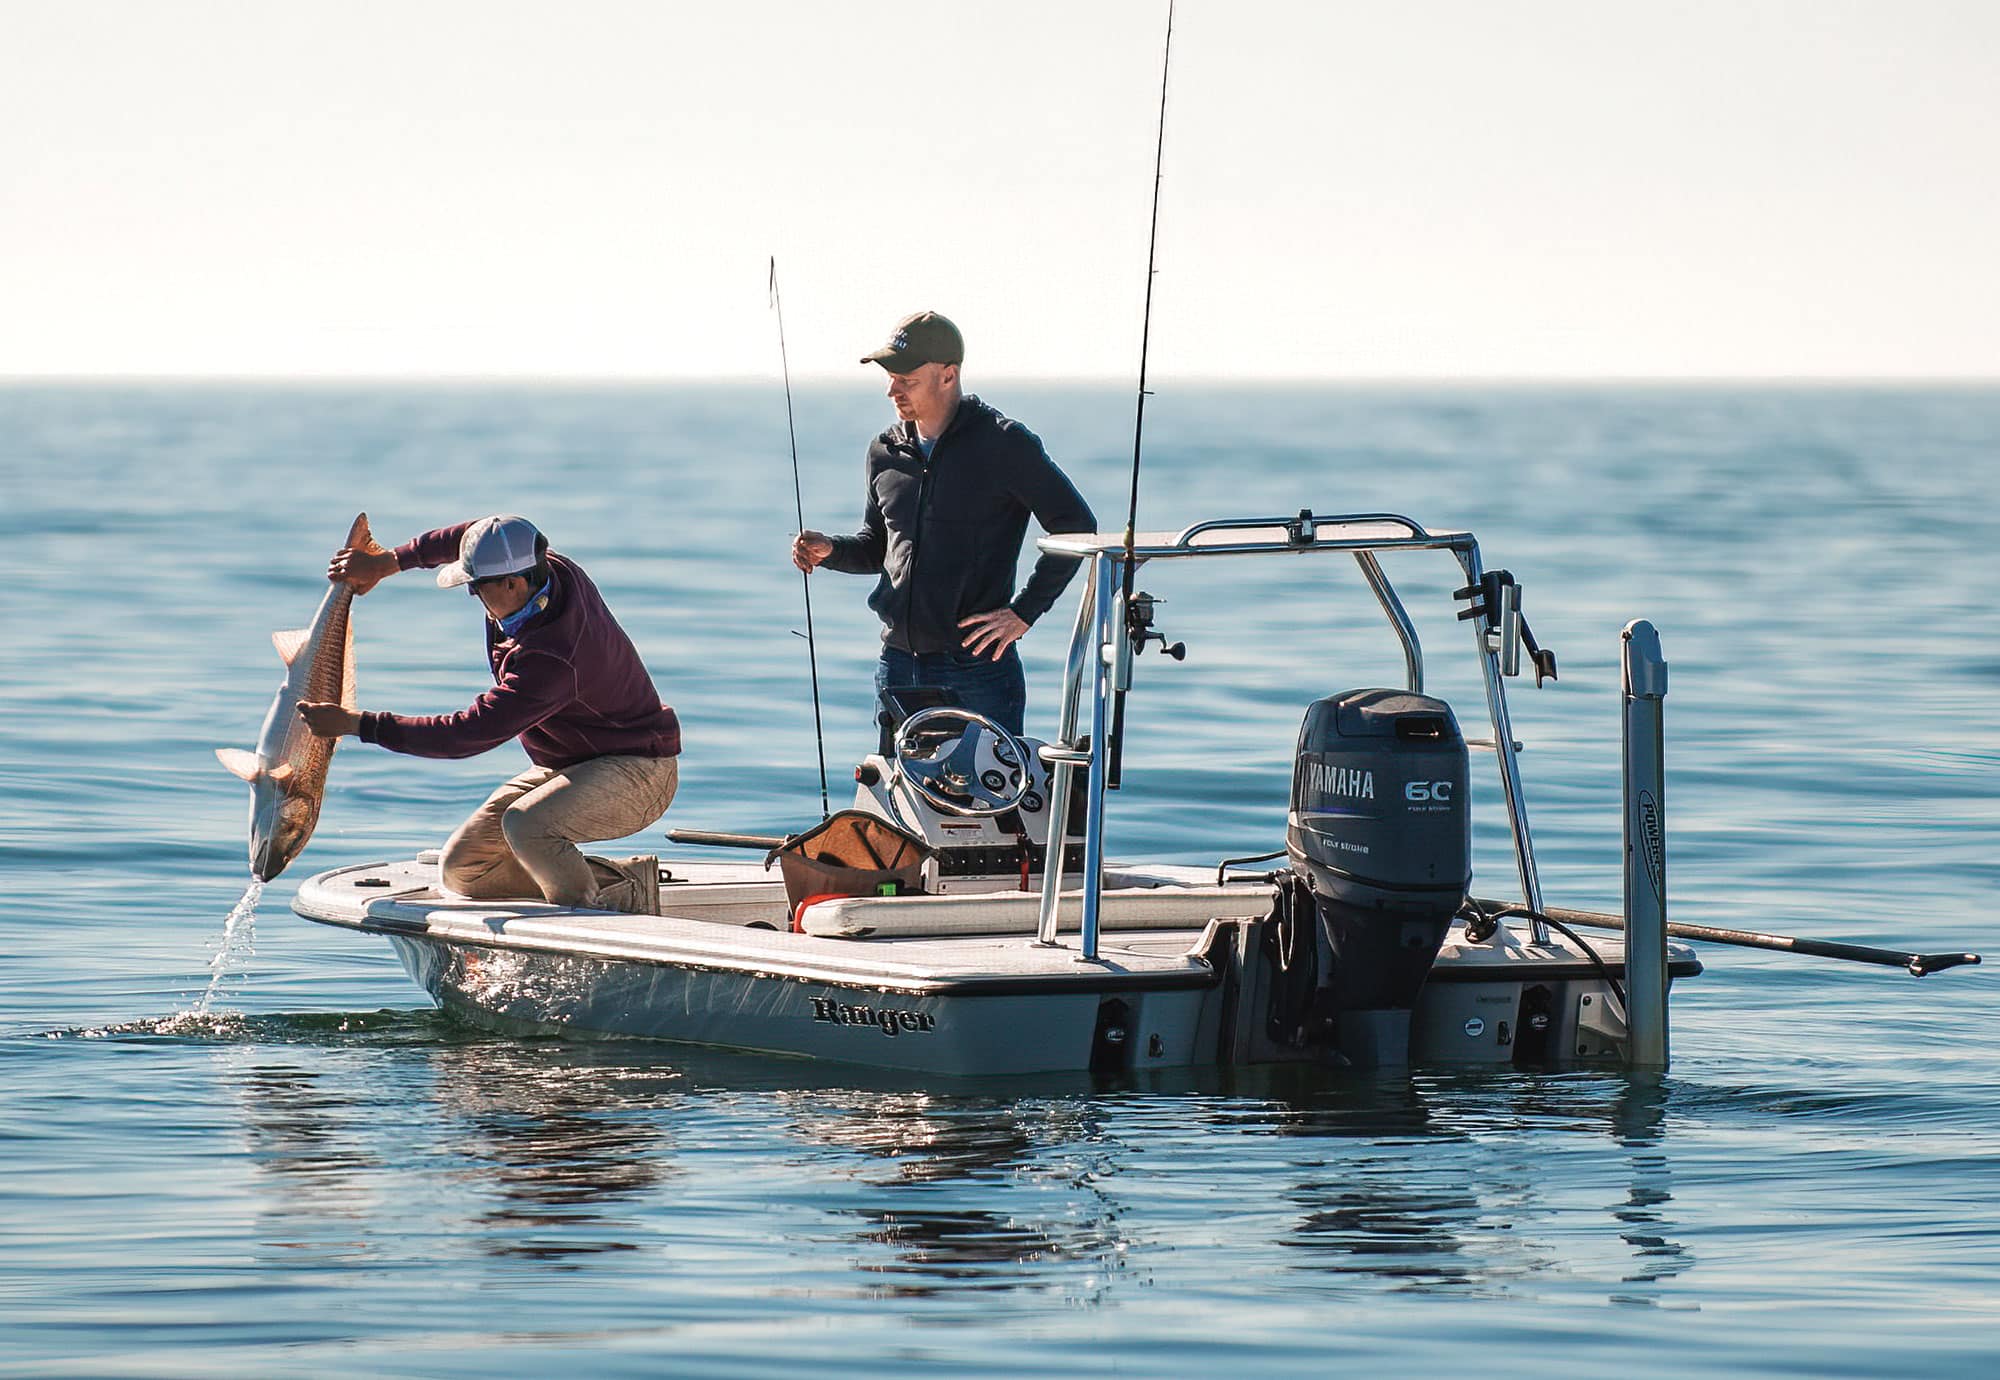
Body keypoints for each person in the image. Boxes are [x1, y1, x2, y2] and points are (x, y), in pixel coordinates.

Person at [298, 514, 680, 916]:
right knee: (465, 870)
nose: (475, 598)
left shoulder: (552, 658)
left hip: (639, 772)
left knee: (526, 826)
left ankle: (582, 918)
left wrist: (357, 724)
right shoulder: (549, 568)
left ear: (512, 583)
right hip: (572, 764)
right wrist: (388, 562)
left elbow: (465, 734)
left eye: (476, 589)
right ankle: (623, 888)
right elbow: (472, 536)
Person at [790, 310, 1096, 735]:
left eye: (906, 379)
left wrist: (1024, 612)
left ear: (948, 376)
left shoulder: (1004, 443)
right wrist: (831, 551)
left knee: (991, 802)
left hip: (976, 671)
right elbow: (878, 548)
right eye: (890, 378)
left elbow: (1076, 525)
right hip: (896, 666)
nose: (892, 390)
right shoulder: (884, 451)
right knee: (897, 802)